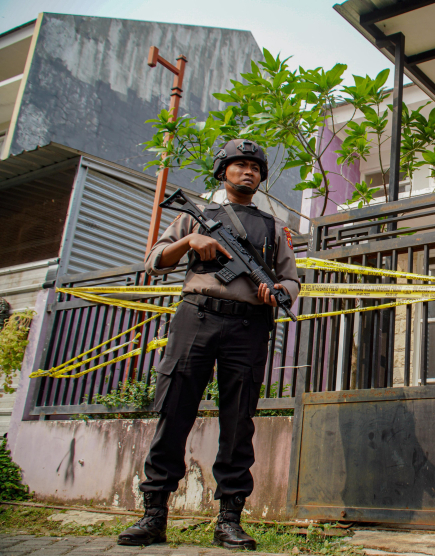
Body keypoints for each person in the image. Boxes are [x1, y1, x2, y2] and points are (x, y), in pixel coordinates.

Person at [118, 139, 300, 550]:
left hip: (249, 325)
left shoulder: (272, 227)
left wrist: (281, 292)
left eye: (255, 166)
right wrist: (189, 243)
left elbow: (291, 277)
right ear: (223, 172)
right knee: (174, 411)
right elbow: (154, 259)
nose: (248, 171)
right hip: (196, 318)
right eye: (238, 164)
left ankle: (229, 520)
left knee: (239, 423)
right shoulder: (197, 215)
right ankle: (153, 516)